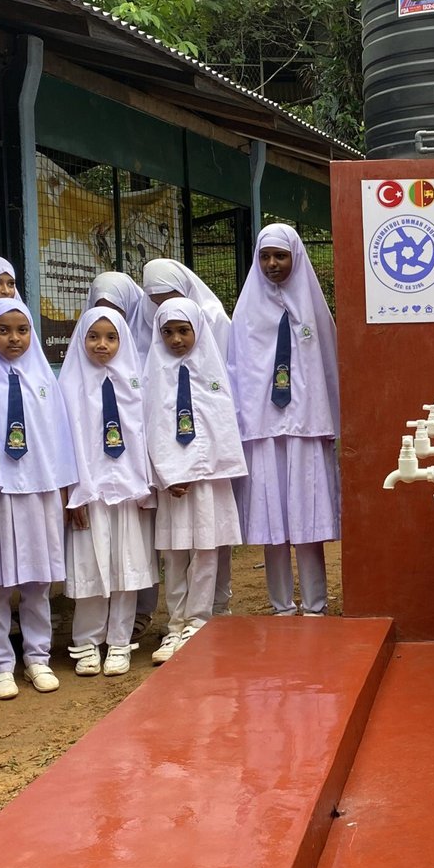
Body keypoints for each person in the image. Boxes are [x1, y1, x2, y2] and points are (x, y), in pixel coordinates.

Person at [228, 224, 340, 616]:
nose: (272, 264)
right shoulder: (245, 314)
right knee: (270, 522)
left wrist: (333, 420)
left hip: (306, 426)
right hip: (262, 429)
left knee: (308, 519)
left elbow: (330, 367)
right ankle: (281, 606)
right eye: (265, 257)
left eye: (280, 256)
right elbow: (235, 370)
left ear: (296, 256)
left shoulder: (314, 310)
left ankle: (315, 604)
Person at [0, 299, 76, 695]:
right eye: (3, 331)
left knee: (38, 580)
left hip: (40, 488)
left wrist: (64, 488)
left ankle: (37, 657)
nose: (14, 338)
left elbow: (59, 436)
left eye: (22, 330)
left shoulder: (43, 378)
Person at [144, 300, 248, 658]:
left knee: (205, 551)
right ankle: (175, 624)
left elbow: (221, 426)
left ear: (198, 330)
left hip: (207, 480)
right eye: (168, 332)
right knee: (174, 554)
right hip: (172, 482)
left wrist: (201, 468)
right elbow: (151, 427)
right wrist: (167, 473)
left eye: (183, 331)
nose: (176, 339)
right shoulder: (154, 375)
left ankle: (198, 620)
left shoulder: (212, 373)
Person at [59, 306, 158, 675]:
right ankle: (86, 641)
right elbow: (63, 444)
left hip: (129, 490)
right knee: (91, 565)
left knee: (126, 566)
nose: (102, 344)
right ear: (81, 340)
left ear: (122, 340)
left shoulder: (136, 382)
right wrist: (73, 492)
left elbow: (146, 435)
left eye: (111, 337)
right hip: (89, 489)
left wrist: (147, 485)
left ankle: (119, 641)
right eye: (94, 337)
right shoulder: (69, 385)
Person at [86, 270, 154, 363]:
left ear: (131, 307)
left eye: (115, 310)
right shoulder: (85, 352)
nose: (107, 316)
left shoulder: (152, 352)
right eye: (100, 309)